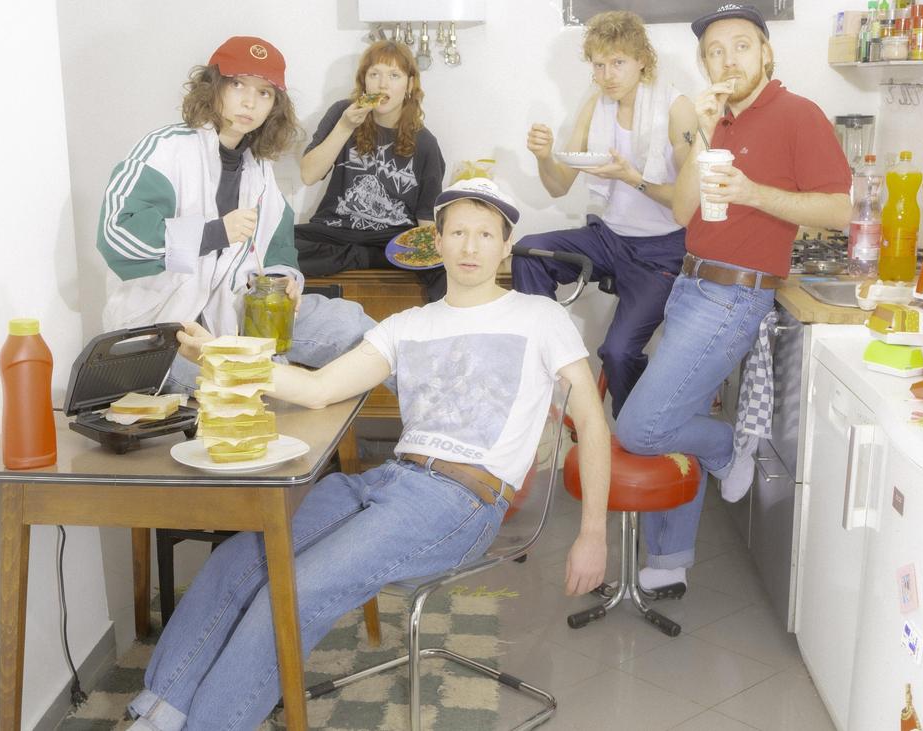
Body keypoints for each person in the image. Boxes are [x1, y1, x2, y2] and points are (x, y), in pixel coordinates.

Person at [126, 178, 611, 731]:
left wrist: (592, 533)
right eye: (458, 233)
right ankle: (159, 713)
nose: (470, 246)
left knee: (299, 588)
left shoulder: (540, 317)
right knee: (238, 560)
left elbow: (591, 422)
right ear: (437, 243)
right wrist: (217, 353)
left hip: (462, 500)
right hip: (389, 480)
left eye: (485, 235)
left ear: (506, 247)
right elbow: (318, 389)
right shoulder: (406, 326)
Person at [615, 5, 852, 592]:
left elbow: (840, 210)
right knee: (678, 420)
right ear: (704, 63)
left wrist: (754, 194)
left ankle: (727, 445)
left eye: (742, 46)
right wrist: (699, 133)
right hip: (690, 284)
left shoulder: (799, 114)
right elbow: (682, 210)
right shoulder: (713, 121)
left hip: (732, 297)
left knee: (640, 429)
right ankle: (669, 562)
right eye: (715, 51)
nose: (729, 60)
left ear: (766, 52)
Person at [96, 36, 375, 384]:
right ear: (212, 87)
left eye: (264, 92)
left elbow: (277, 245)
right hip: (164, 334)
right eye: (237, 84)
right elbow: (117, 234)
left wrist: (283, 279)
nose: (249, 102)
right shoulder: (165, 151)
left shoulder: (259, 170)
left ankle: (433, 403)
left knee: (351, 326)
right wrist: (214, 233)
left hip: (233, 320)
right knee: (236, 385)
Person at [516, 10, 697, 417]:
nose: (607, 75)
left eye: (617, 63)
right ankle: (546, 355)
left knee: (617, 352)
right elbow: (559, 185)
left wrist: (633, 178)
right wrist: (544, 157)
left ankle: (634, 431)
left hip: (662, 251)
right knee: (529, 251)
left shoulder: (677, 109)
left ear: (642, 60)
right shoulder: (594, 106)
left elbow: (689, 202)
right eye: (598, 65)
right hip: (608, 237)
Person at [294, 40, 448, 302]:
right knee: (276, 243)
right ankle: (366, 257)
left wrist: (434, 254)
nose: (382, 85)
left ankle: (364, 257)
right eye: (374, 74)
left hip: (393, 238)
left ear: (409, 84)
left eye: (394, 76)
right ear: (363, 81)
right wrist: (345, 127)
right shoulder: (342, 113)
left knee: (442, 263)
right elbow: (308, 175)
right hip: (336, 230)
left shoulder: (425, 143)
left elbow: (426, 221)